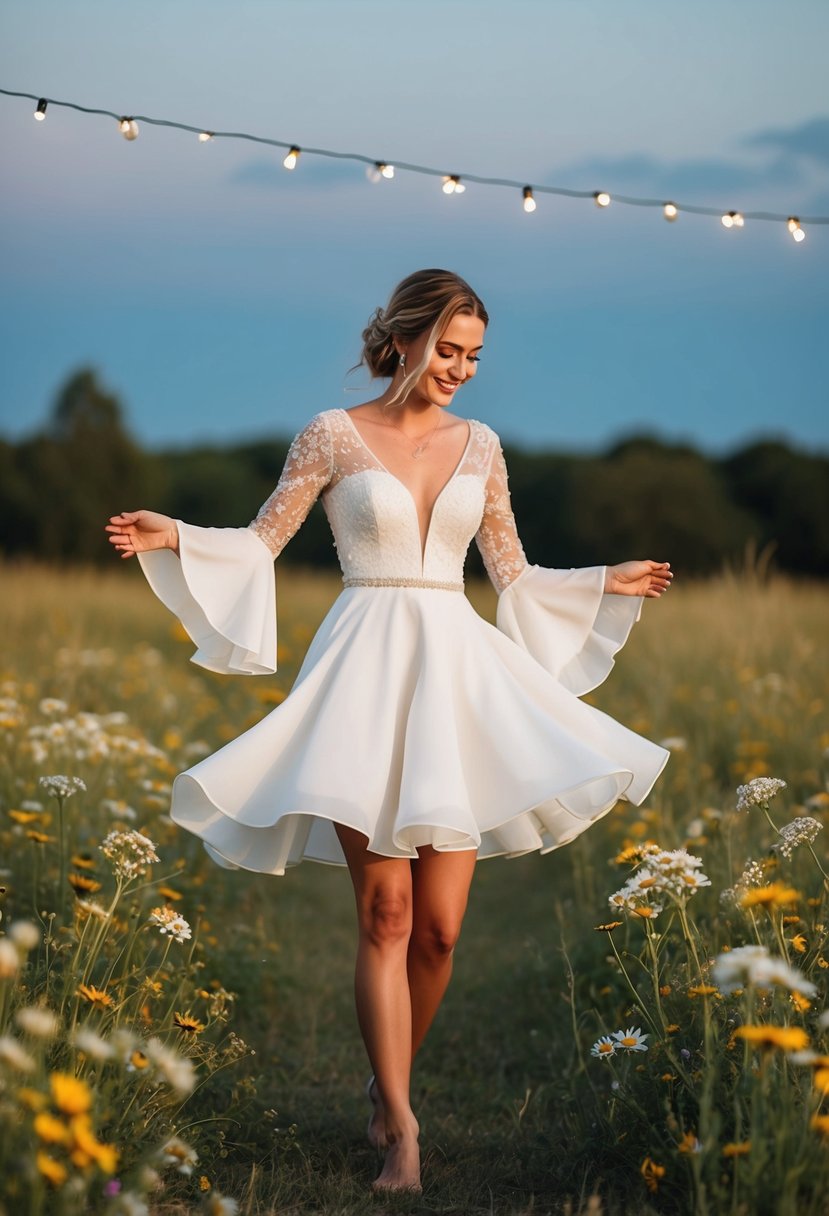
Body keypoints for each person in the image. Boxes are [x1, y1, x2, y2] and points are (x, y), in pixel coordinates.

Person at [106, 268, 672, 1193]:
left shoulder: (480, 445)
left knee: (441, 932)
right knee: (387, 913)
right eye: (447, 350)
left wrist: (603, 579)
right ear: (401, 340)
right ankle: (403, 1130)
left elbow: (513, 575)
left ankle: (385, 1078)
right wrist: (174, 534)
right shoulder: (330, 435)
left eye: (474, 356)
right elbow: (261, 541)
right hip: (362, 670)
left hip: (454, 671)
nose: (461, 370)